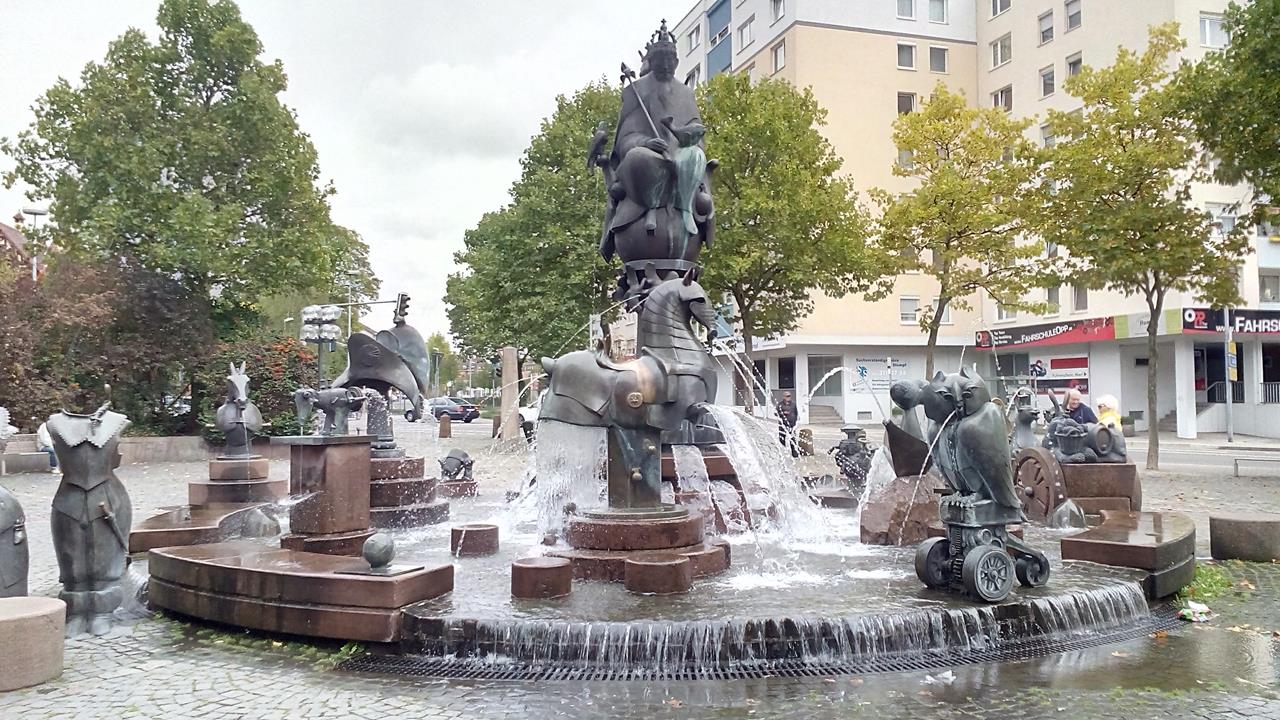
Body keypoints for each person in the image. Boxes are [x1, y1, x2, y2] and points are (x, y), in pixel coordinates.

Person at [776, 391, 799, 458]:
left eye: (789, 396)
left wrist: (795, 421)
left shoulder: (793, 404)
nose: (788, 397)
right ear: (784, 397)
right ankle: (783, 454)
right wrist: (783, 413)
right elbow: (776, 413)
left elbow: (796, 413)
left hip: (791, 424)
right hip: (783, 425)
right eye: (787, 396)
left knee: (793, 439)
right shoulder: (780, 404)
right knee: (782, 439)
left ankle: (795, 454)